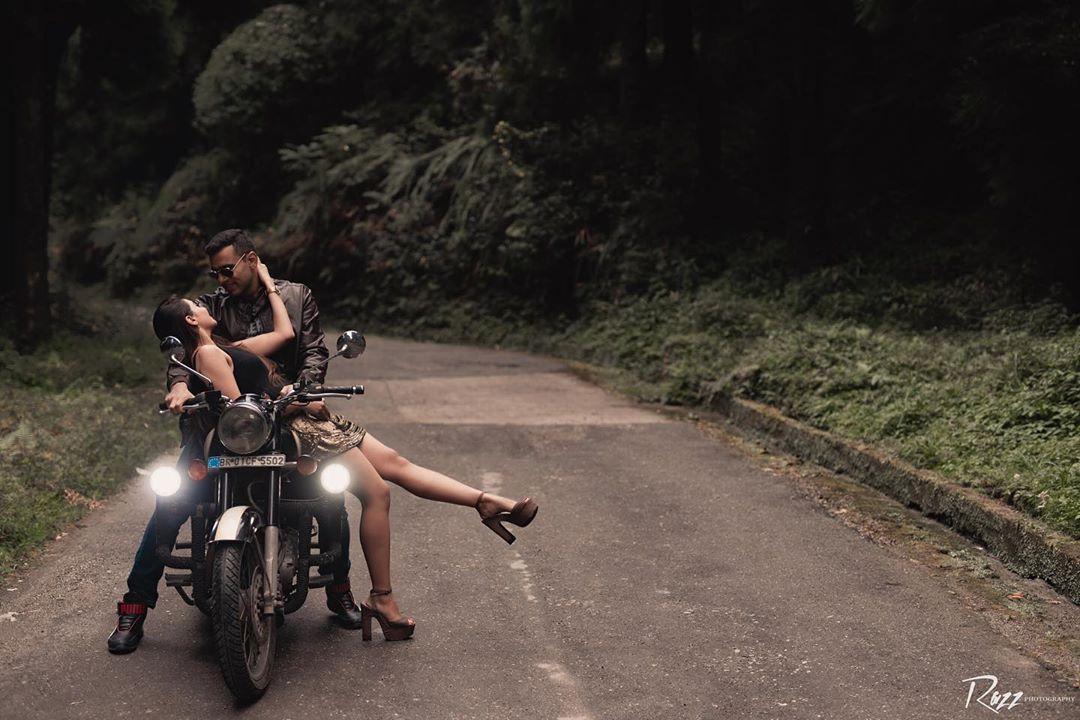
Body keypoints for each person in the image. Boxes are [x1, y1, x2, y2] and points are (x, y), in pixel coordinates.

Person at [109, 229, 538, 652]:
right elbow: (185, 357)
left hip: (290, 415)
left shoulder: (295, 297)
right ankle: (135, 605)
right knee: (172, 501)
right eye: (214, 274)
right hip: (237, 428)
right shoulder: (211, 310)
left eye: (226, 270)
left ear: (250, 259)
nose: (220, 281)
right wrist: (180, 388)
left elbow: (308, 348)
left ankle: (342, 587)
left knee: (335, 495)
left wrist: (306, 390)